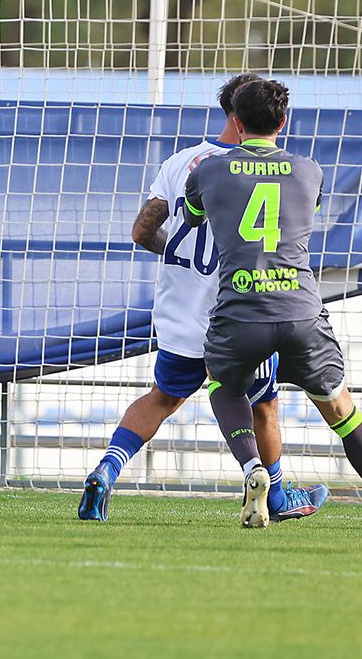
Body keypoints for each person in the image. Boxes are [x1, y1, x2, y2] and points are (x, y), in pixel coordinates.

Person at [78, 73, 327, 522]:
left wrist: (178, 254)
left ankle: (105, 471)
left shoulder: (182, 162)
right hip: (241, 308)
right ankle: (273, 492)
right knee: (263, 404)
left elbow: (142, 231)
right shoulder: (266, 170)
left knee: (162, 398)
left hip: (180, 308)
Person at [183, 77, 362, 532]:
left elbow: (194, 218)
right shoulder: (308, 171)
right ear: (283, 122)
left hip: (242, 309)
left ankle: (253, 467)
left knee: (222, 384)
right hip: (300, 309)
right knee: (339, 408)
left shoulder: (208, 170)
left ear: (235, 121)